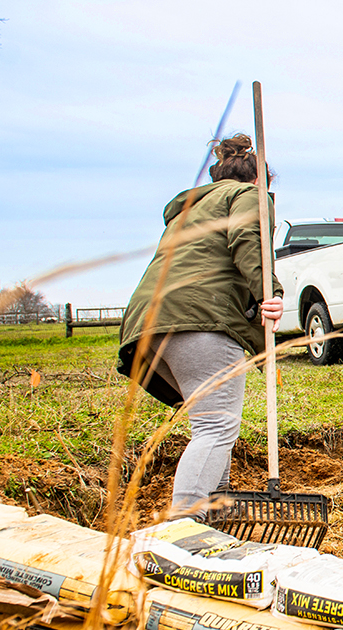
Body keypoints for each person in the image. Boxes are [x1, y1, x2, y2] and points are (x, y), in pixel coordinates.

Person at [118, 134, 285, 517]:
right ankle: (183, 529)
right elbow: (248, 240)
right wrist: (267, 292)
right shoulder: (248, 196)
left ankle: (216, 508)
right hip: (199, 320)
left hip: (147, 326)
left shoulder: (190, 209)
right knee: (217, 428)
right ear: (260, 181)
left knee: (213, 423)